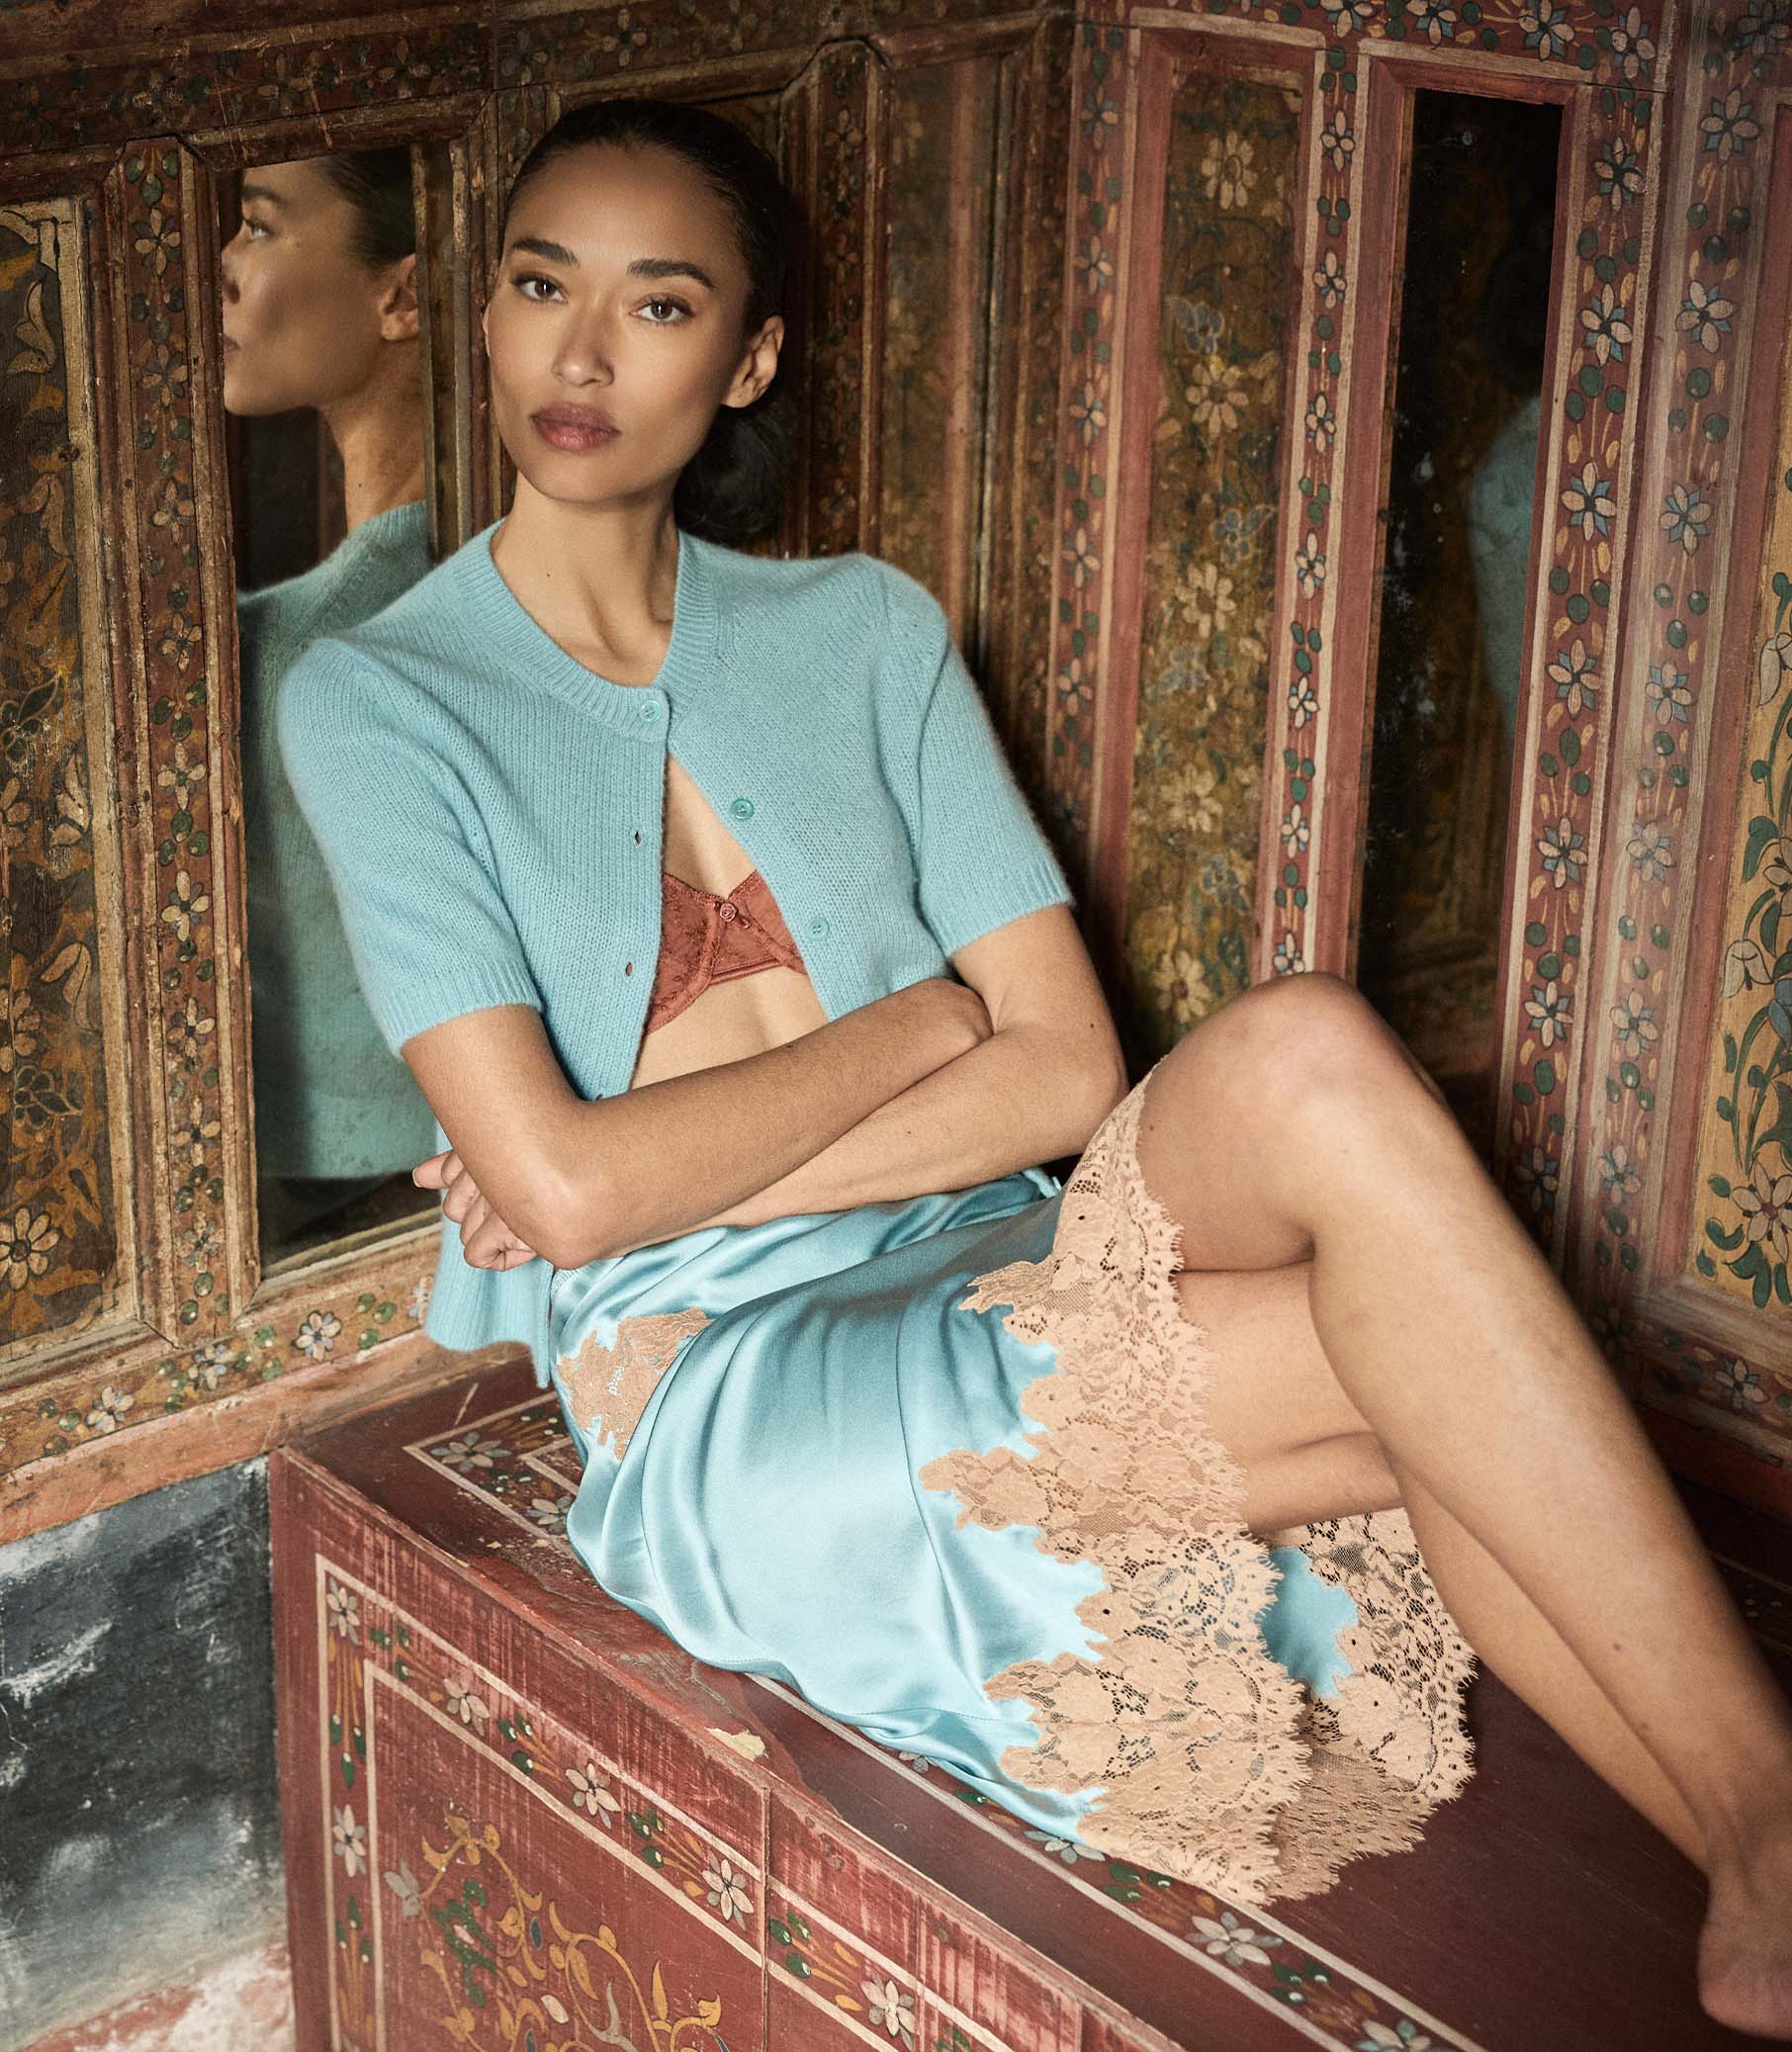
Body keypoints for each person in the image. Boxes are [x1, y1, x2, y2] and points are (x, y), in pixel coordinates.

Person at [276, 99, 1792, 2036]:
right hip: (725, 1382)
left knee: (1314, 1041)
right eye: (539, 284)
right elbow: (578, 1208)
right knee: (1420, 1341)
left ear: (744, 360)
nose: (580, 355)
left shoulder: (866, 629)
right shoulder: (383, 698)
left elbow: (1067, 1071)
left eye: (657, 306)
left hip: (999, 1236)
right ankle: (1764, 1826)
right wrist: (913, 1024)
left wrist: (628, 1156)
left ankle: (1765, 1849)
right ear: (477, 318)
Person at [222, 148, 439, 1250]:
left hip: (322, 1197)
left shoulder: (283, 650)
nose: (220, 263)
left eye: (259, 226)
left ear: (400, 292)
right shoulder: (518, 566)